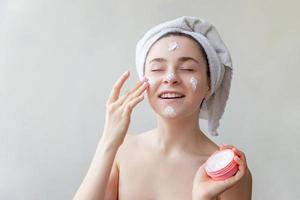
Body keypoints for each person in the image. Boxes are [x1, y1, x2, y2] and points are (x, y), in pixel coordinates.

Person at [73, 16, 252, 200]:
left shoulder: (226, 171)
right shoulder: (122, 150)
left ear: (209, 85)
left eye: (187, 68)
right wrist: (108, 141)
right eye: (157, 69)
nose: (170, 77)